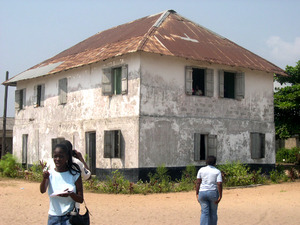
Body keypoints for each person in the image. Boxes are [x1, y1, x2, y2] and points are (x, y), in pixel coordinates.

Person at [40, 143, 84, 225]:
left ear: (67, 157)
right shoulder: (50, 174)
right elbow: (42, 190)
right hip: (53, 218)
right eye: (55, 156)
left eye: (61, 156)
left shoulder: (75, 174)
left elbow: (81, 199)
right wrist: (44, 178)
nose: (57, 159)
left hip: (69, 218)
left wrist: (71, 194)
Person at [196, 156, 223, 225]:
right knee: (213, 212)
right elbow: (219, 183)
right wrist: (220, 195)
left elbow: (198, 182)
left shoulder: (201, 170)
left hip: (202, 192)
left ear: (206, 162)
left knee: (204, 212)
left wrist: (197, 193)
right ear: (215, 163)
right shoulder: (217, 171)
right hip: (212, 192)